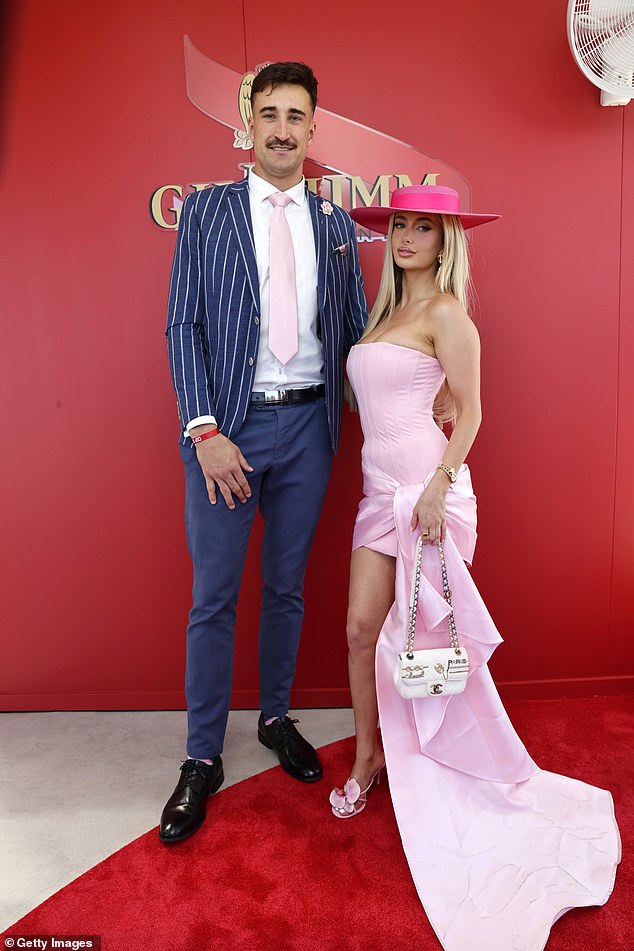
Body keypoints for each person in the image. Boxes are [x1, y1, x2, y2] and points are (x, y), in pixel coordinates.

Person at [330, 185, 620, 949]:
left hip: (430, 495)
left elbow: (475, 408)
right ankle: (371, 756)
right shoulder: (383, 312)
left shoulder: (448, 313)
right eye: (400, 223)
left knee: (428, 643)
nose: (407, 236)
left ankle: (452, 760)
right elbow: (403, 400)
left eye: (424, 227)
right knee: (362, 630)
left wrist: (436, 484)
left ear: (445, 240)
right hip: (377, 493)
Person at [160, 61, 368, 844]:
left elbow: (353, 335)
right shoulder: (207, 211)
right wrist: (205, 430)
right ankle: (201, 755)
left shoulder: (338, 226)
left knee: (285, 589)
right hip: (226, 434)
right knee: (214, 597)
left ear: (314, 131)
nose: (282, 129)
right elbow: (183, 324)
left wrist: (420, 390)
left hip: (308, 430)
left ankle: (275, 717)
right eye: (269, 113)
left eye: (296, 116)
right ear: (248, 124)